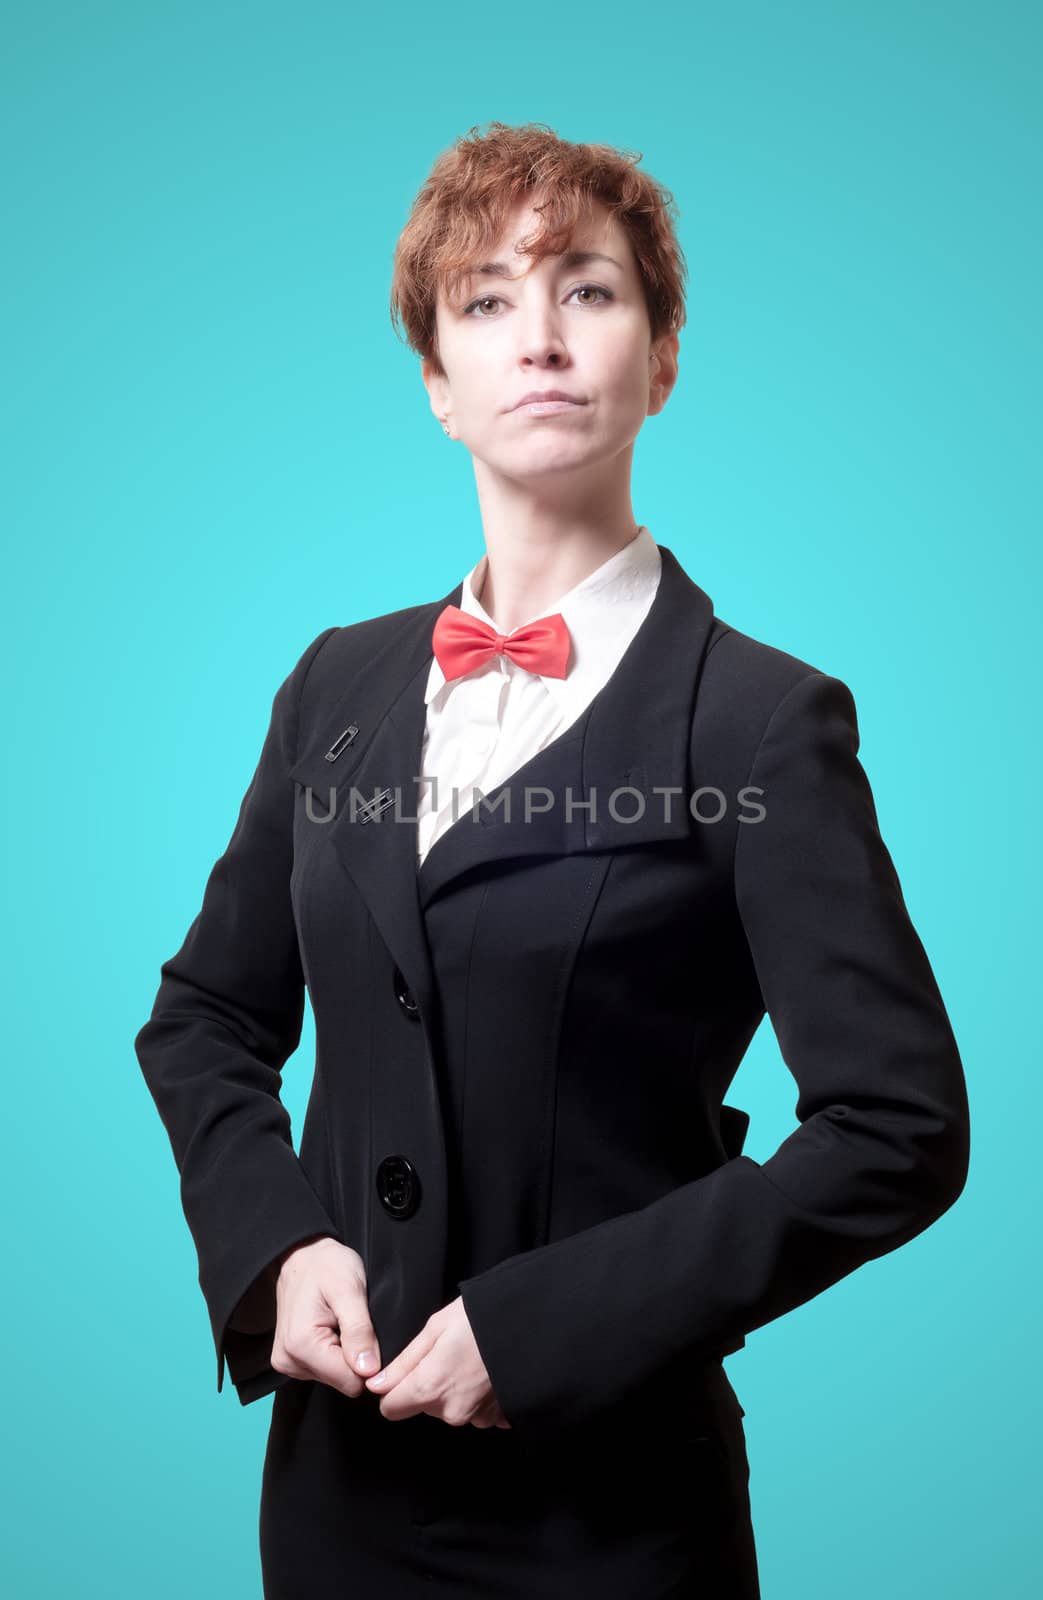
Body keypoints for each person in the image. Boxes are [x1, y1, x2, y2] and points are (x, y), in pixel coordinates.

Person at [134, 120, 970, 1599]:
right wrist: (272, 1247)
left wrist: (550, 1330)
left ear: (658, 356)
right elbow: (206, 1014)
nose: (540, 339)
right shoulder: (335, 684)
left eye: (586, 290)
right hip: (336, 1498)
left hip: (611, 1514)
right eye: (486, 302)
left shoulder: (766, 721)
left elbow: (896, 1127)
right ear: (436, 388)